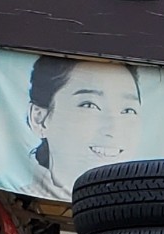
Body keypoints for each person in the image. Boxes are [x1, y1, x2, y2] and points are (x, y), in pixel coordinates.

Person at [25, 57, 144, 200]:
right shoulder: (14, 200)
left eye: (128, 110)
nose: (114, 128)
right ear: (39, 119)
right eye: (89, 105)